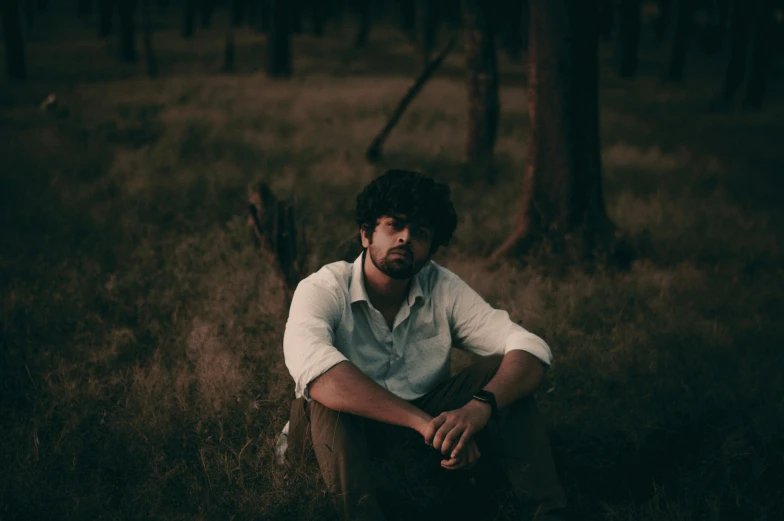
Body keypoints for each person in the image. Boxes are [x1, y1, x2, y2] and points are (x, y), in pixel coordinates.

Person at [282, 170, 568, 520]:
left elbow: (530, 348)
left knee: (504, 368)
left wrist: (478, 409)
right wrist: (424, 423)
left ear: (430, 250)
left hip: (419, 443)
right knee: (326, 397)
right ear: (366, 234)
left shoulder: (442, 287)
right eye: (394, 226)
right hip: (331, 446)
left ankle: (547, 513)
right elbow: (317, 370)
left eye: (419, 232)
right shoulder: (323, 287)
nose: (405, 238)